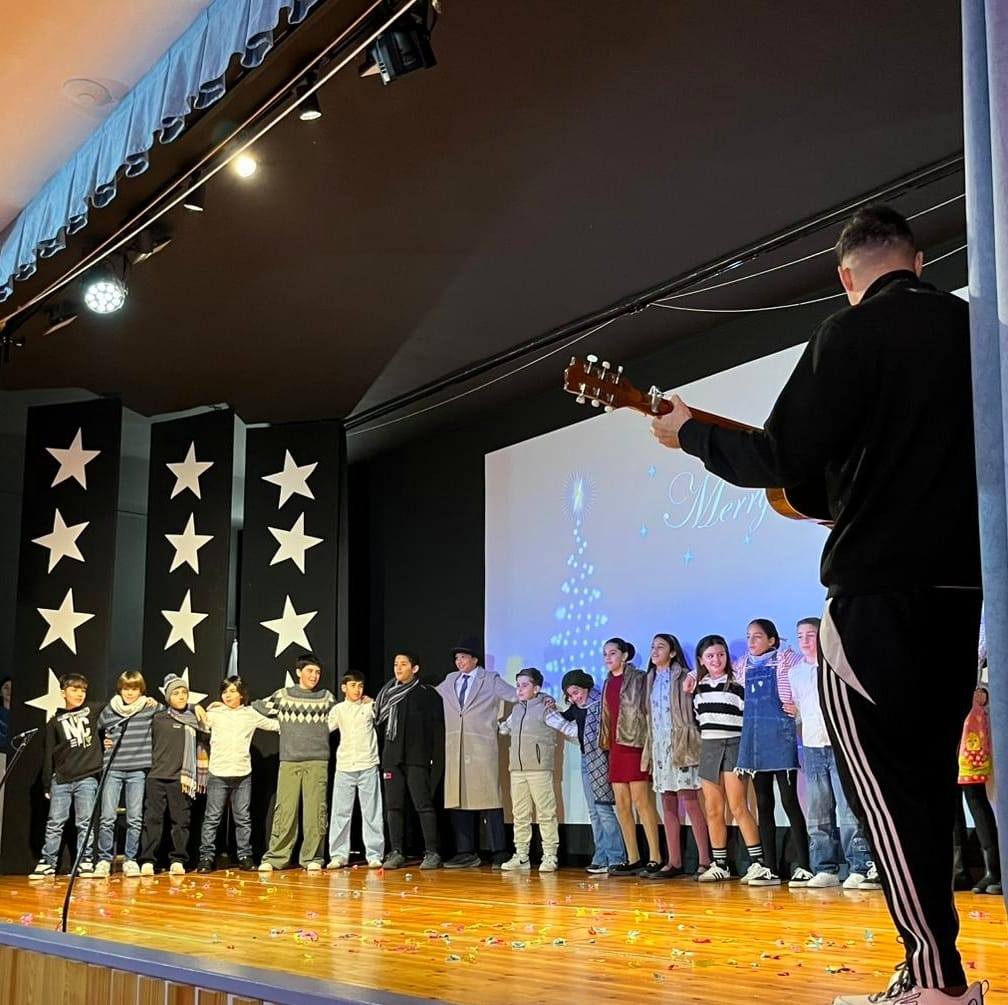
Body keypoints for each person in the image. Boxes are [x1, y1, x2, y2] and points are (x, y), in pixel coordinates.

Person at [652, 205, 984, 1005]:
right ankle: (933, 972)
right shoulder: (975, 329)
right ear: (918, 259)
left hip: (875, 602)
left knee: (887, 797)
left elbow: (779, 454)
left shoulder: (851, 332)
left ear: (846, 276)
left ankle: (937, 983)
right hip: (961, 598)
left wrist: (689, 434)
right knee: (927, 788)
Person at [790, 617, 878, 891]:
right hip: (813, 746)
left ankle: (859, 866)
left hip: (840, 745)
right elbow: (800, 709)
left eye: (811, 634)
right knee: (818, 810)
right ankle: (824, 867)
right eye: (800, 636)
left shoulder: (836, 667)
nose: (805, 640)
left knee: (848, 808)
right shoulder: (796, 673)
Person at [734, 618, 811, 887]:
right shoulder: (743, 665)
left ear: (772, 640)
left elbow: (807, 671)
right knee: (764, 804)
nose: (751, 641)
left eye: (757, 636)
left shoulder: (786, 660)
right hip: (756, 741)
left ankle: (804, 865)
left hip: (780, 737)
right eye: (748, 636)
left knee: (789, 801)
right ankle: (770, 867)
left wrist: (799, 708)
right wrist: (692, 676)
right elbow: (717, 671)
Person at [690, 635, 767, 884]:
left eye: (721, 654)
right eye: (710, 656)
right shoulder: (697, 687)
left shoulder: (737, 684)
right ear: (701, 659)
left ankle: (758, 863)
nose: (716, 660)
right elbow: (697, 720)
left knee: (738, 806)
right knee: (713, 810)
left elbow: (748, 718)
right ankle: (720, 864)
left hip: (734, 745)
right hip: (709, 748)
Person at [435, 637, 516, 869]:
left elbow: (517, 697)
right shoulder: (451, 680)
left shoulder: (489, 679)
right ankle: (466, 852)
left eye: (463, 657)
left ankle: (499, 851)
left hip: (481, 747)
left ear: (475, 659)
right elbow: (433, 696)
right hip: (456, 748)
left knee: (490, 799)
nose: (459, 662)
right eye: (457, 658)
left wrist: (505, 724)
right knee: (458, 799)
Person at [254, 652, 338, 873]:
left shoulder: (326, 697)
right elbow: (255, 709)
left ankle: (313, 857)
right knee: (285, 811)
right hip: (290, 761)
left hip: (317, 761)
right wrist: (278, 726)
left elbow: (341, 717)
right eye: (310, 671)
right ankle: (276, 857)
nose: (314, 676)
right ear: (299, 672)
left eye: (317, 672)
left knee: (315, 812)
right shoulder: (283, 695)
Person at [643, 633, 710, 878]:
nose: (654, 651)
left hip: (682, 744)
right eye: (653, 646)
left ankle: (705, 860)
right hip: (660, 747)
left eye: (660, 647)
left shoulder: (683, 675)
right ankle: (674, 861)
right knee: (667, 803)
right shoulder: (650, 678)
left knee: (690, 801)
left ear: (672, 652)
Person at [497, 667, 576, 872]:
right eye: (518, 685)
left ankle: (550, 855)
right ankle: (521, 855)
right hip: (517, 770)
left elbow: (568, 728)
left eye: (525, 685)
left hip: (539, 770)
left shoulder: (546, 709)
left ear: (537, 688)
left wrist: (590, 733)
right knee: (520, 814)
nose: (520, 689)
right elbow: (504, 729)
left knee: (546, 813)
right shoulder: (516, 710)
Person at [197, 676, 279, 873]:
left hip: (242, 775)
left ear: (242, 694)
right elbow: (197, 722)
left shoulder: (250, 714)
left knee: (243, 819)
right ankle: (206, 857)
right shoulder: (215, 713)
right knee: (212, 818)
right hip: (218, 774)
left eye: (233, 691)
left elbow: (275, 725)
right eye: (225, 692)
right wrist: (197, 707)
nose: (228, 695)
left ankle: (244, 856)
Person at [373, 652, 444, 871]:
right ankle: (396, 851)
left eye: (403, 664)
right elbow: (377, 721)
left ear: (415, 669)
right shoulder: (387, 693)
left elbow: (436, 730)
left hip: (417, 758)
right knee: (393, 806)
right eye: (396, 664)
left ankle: (432, 852)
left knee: (423, 805)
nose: (398, 668)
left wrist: (434, 759)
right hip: (392, 757)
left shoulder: (426, 694)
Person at [598, 637, 663, 876]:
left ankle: (655, 856)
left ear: (625, 656)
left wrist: (648, 744)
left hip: (635, 745)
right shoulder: (607, 682)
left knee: (642, 803)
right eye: (605, 654)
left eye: (612, 653)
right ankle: (633, 857)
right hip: (615, 748)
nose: (608, 658)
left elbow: (648, 712)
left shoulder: (639, 678)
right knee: (622, 805)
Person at [30, 674, 103, 879]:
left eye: (83, 690)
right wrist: (47, 784)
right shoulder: (54, 722)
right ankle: (48, 861)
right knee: (55, 822)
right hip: (61, 779)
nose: (79, 694)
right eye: (74, 690)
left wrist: (145, 700)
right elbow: (48, 754)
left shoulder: (92, 710)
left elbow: (119, 705)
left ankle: (85, 861)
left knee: (85, 822)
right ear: (63, 692)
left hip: (87, 777)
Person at [139, 674, 209, 876]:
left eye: (184, 692)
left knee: (181, 821)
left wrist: (195, 706)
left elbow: (208, 730)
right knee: (153, 820)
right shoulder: (157, 717)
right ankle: (148, 860)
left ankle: (178, 859)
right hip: (156, 776)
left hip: (181, 779)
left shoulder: (194, 719)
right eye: (176, 693)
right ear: (168, 697)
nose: (181, 696)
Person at [95, 670, 159, 878]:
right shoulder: (110, 709)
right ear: (120, 689)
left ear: (141, 690)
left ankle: (130, 859)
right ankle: (104, 859)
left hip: (137, 770)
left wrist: (196, 707)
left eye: (134, 689)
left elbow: (175, 709)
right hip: (112, 769)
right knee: (107, 817)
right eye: (126, 688)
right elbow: (95, 729)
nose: (130, 693)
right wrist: (103, 742)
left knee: (134, 818)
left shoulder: (149, 707)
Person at [560, 669, 626, 873]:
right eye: (570, 695)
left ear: (586, 687)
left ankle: (616, 857)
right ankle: (601, 856)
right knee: (593, 811)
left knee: (604, 809)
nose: (575, 698)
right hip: (585, 760)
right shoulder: (576, 707)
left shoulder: (601, 703)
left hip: (603, 760)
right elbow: (562, 718)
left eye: (577, 692)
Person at [327, 671, 384, 869]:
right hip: (345, 766)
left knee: (372, 813)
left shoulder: (370, 707)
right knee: (340, 813)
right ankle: (338, 855)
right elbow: (323, 729)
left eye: (360, 686)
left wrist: (374, 703)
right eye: (353, 686)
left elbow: (383, 717)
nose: (357, 690)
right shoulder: (338, 710)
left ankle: (374, 854)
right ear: (344, 688)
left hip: (368, 764)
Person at [957, 678, 1000, 895]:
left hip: (972, 717)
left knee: (975, 795)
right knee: (949, 799)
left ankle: (994, 870)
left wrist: (983, 691)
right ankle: (958, 869)